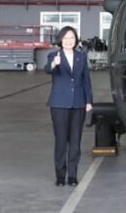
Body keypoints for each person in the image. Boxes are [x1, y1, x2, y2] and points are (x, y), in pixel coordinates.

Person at [44, 26, 93, 187]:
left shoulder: (81, 57)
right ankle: (60, 176)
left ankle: (72, 176)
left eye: (72, 38)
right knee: (61, 141)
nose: (69, 41)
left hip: (78, 104)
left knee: (75, 142)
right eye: (66, 38)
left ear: (76, 40)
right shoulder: (54, 55)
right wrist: (53, 64)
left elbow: (86, 80)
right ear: (61, 40)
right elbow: (46, 70)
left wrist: (88, 101)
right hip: (59, 104)